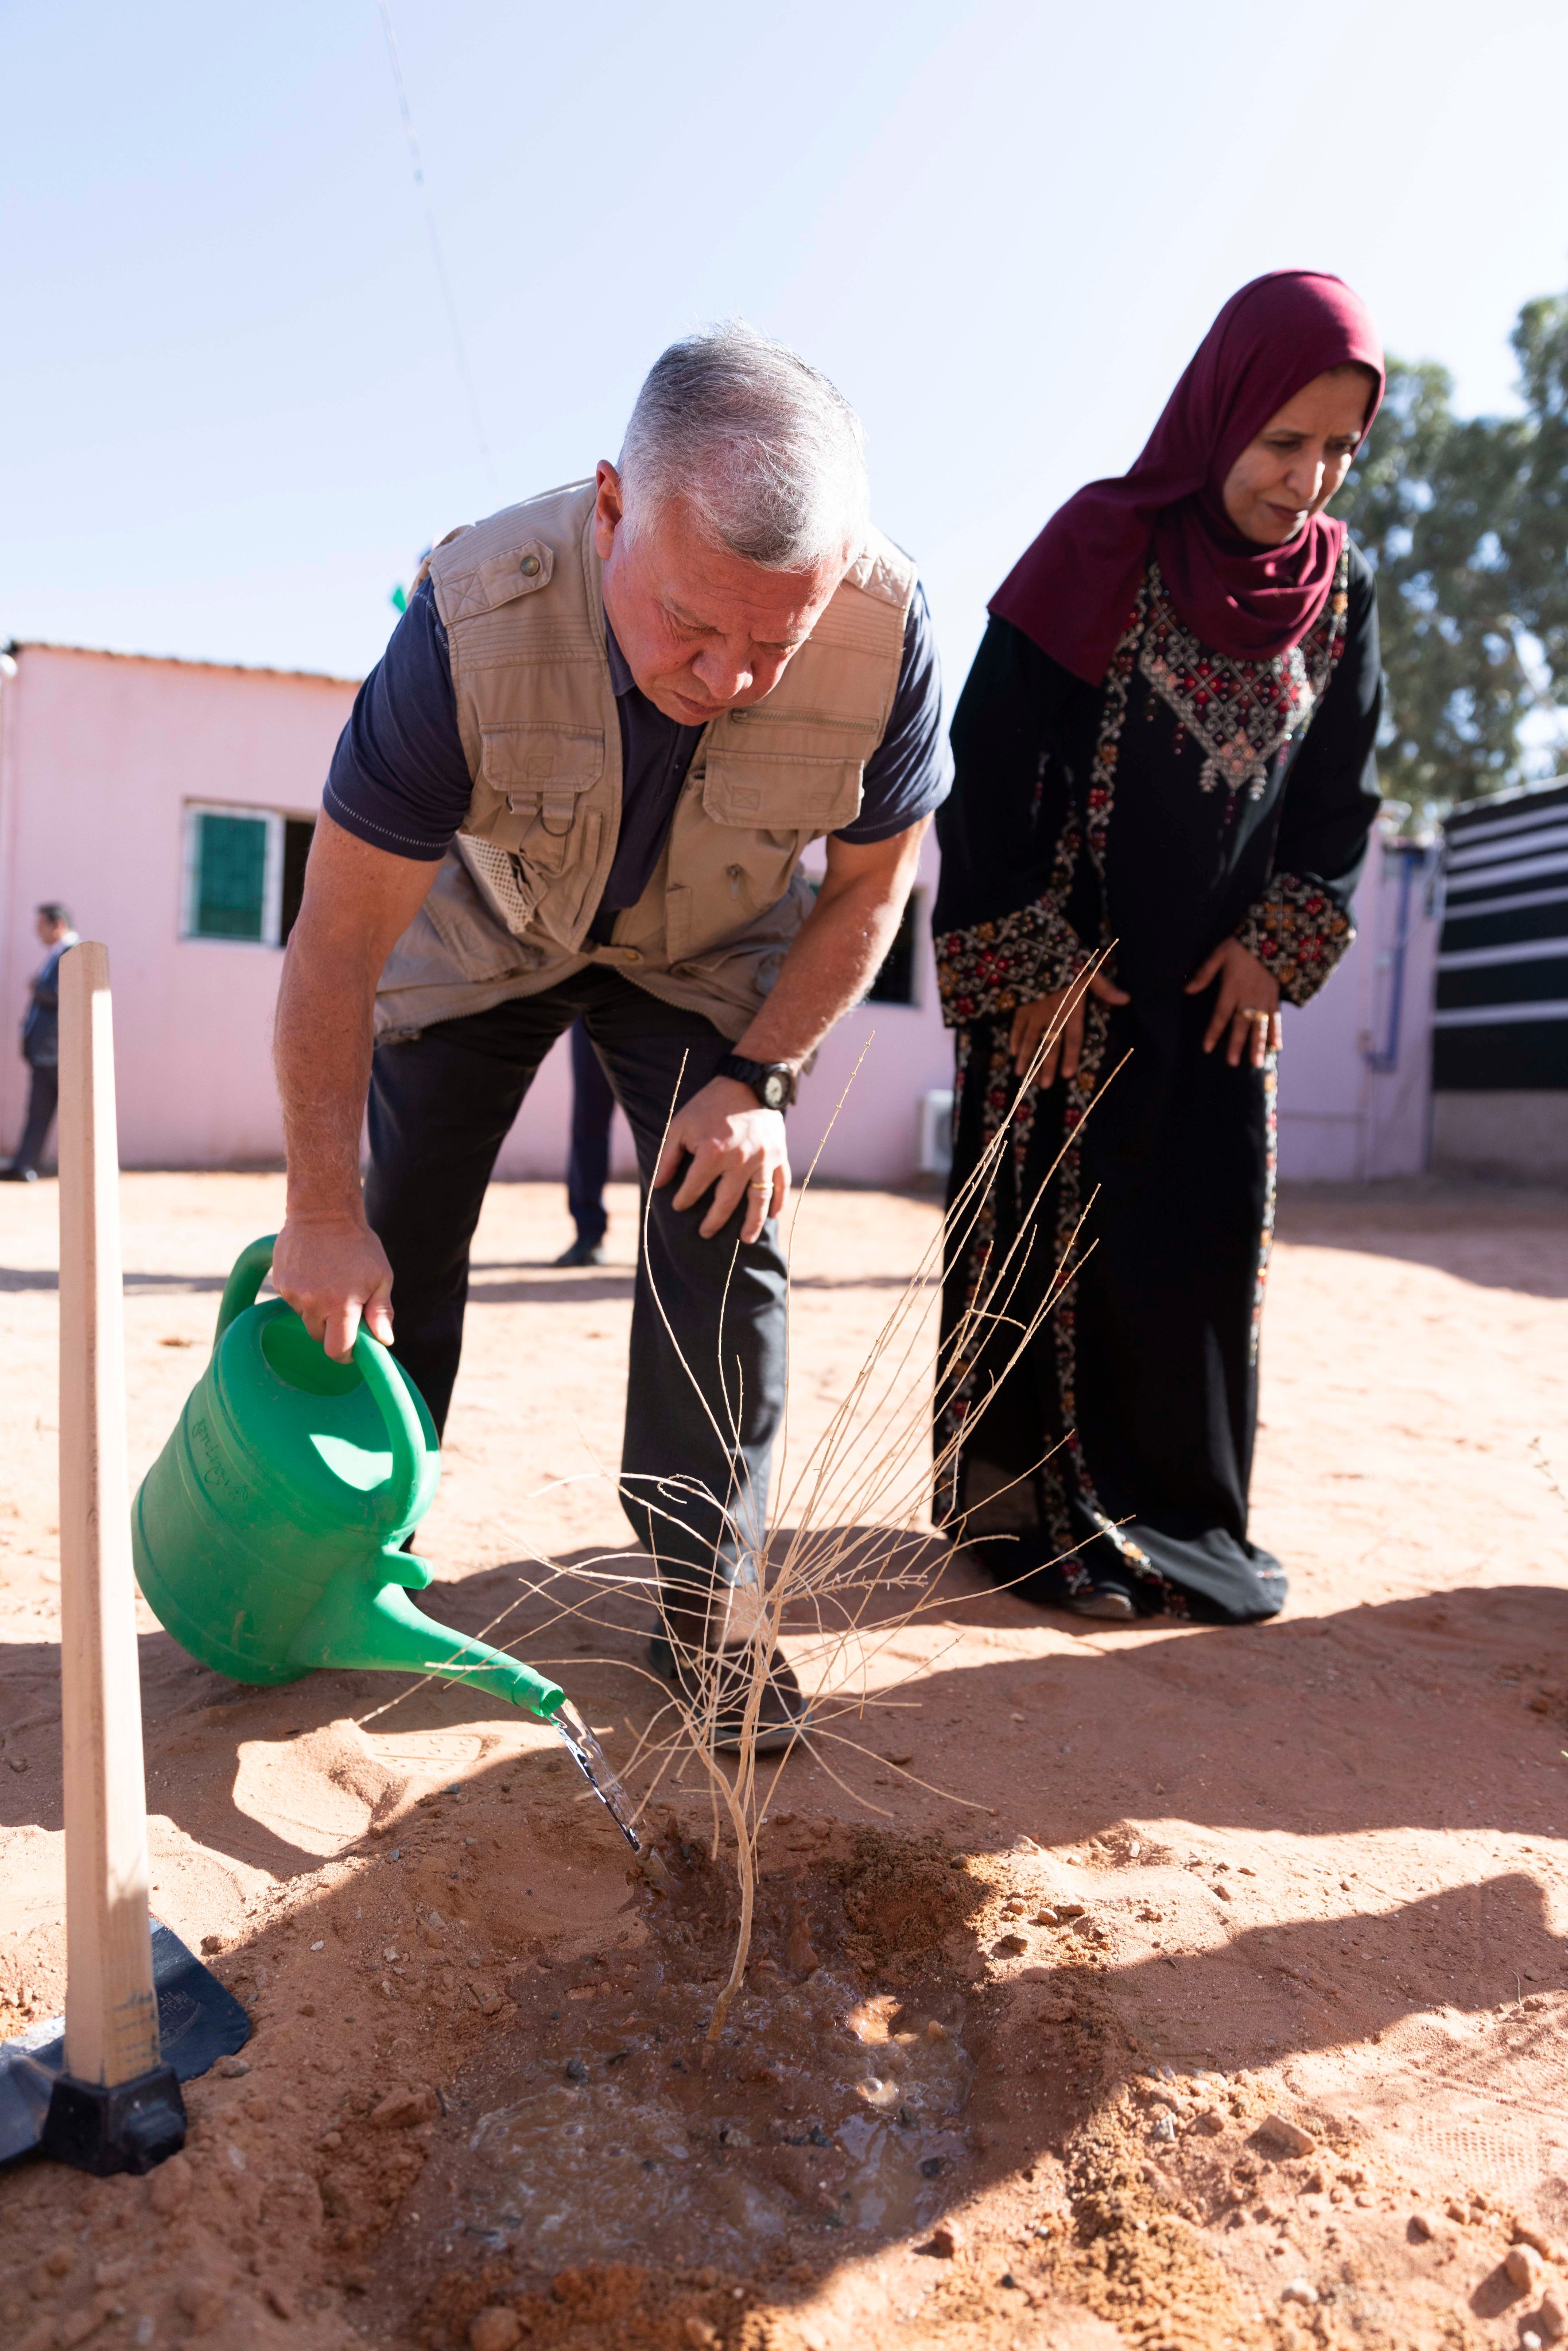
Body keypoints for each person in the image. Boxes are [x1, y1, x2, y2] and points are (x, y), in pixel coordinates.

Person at [273, 324, 950, 1745]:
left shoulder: (891, 635)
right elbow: (336, 945)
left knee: (726, 1213)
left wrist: (757, 1079)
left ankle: (707, 1603)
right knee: (392, 1233)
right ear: (607, 508)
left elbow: (872, 887)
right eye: (691, 624)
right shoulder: (468, 619)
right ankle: (354, 1558)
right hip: (483, 935)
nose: (731, 675)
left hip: (709, 957)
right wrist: (321, 1212)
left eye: (778, 639)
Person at [932, 271, 1384, 1627]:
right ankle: (1023, 1522)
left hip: (1219, 1002)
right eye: (1282, 442)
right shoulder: (1101, 544)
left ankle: (1180, 1519)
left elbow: (1341, 797)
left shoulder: (1342, 592)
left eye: (1337, 451)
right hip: (1071, 993)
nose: (1306, 479)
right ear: (1218, 413)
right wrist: (1023, 965)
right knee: (1049, 1257)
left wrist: (1279, 949)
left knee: (1188, 1256)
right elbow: (989, 763)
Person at [2, 904, 79, 1182]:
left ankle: (97, 1167)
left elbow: (65, 996)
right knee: (38, 1111)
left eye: (41, 927)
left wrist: (38, 989)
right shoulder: (57, 954)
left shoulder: (73, 953)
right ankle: (24, 1165)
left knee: (80, 1113)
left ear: (57, 925)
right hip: (46, 1052)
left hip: (59, 1051)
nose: (38, 933)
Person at [556, 1018, 616, 1267]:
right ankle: (588, 1235)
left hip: (658, 998)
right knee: (588, 1122)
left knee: (665, 1127)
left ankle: (664, 1249)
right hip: (592, 1004)